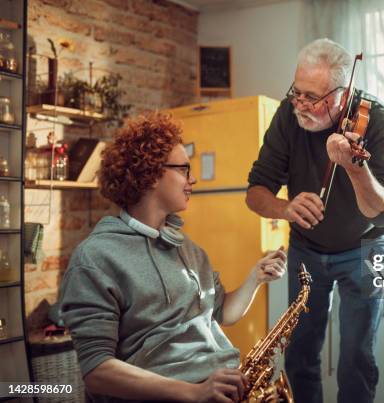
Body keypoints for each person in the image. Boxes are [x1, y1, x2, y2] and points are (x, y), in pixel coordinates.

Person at [59, 112, 287, 403]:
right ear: (150, 173)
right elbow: (96, 370)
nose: (192, 179)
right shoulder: (96, 258)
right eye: (183, 169)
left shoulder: (188, 248)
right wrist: (194, 392)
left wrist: (256, 277)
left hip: (219, 385)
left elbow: (222, 313)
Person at [246, 38, 384, 403]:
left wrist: (353, 167)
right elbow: (255, 192)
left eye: (311, 98)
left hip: (364, 247)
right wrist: (285, 208)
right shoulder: (289, 114)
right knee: (299, 353)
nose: (300, 105)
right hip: (307, 249)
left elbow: (383, 208)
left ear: (342, 94)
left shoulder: (376, 119)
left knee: (356, 359)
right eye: (296, 92)